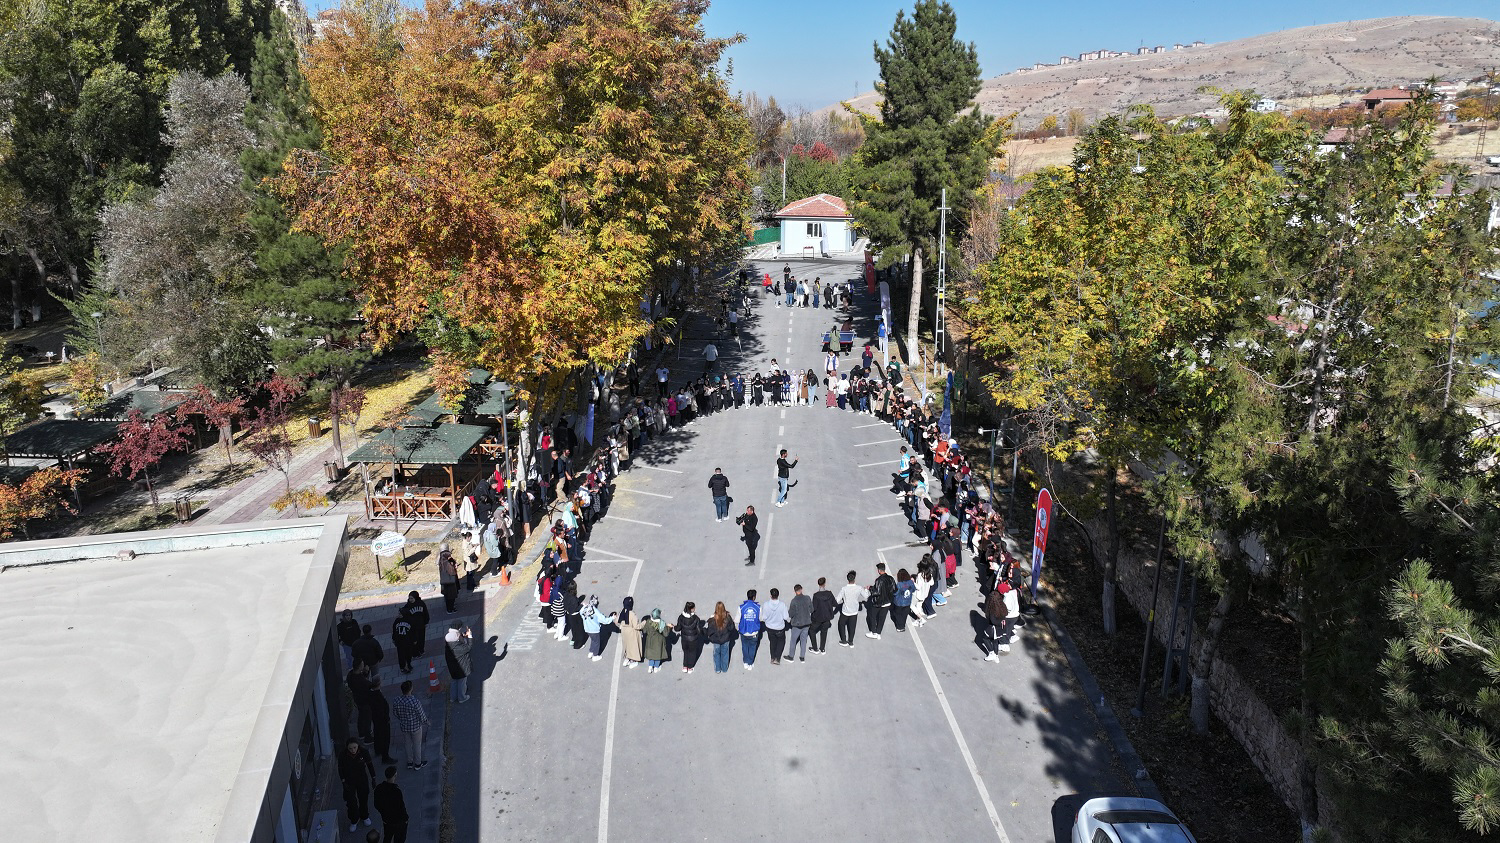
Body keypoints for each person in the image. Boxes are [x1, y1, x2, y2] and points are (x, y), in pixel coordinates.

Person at [338, 737, 376, 832]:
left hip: (361, 779)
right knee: (351, 802)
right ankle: (354, 819)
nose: (353, 750)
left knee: (363, 798)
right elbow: (340, 768)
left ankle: (364, 816)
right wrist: (343, 781)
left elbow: (370, 765)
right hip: (349, 781)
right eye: (350, 748)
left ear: (358, 746)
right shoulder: (342, 755)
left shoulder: (363, 752)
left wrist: (373, 778)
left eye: (354, 747)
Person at [392, 680, 429, 770]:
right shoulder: (415, 702)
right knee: (417, 744)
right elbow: (421, 715)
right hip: (415, 726)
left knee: (407, 744)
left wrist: (402, 718)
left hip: (404, 726)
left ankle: (409, 762)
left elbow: (395, 713)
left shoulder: (397, 700)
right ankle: (418, 763)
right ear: (411, 689)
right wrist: (426, 722)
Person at [373, 766, 409, 843]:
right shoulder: (396, 791)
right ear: (395, 775)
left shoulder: (379, 788)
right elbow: (401, 807)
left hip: (386, 820)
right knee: (399, 838)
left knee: (388, 836)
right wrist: (405, 819)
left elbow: (376, 804)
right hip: (398, 821)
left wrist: (383, 812)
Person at [368, 674, 397, 763]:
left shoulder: (371, 693)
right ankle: (385, 756)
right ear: (379, 683)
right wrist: (386, 720)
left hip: (376, 720)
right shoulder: (378, 696)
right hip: (382, 721)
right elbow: (381, 710)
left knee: (377, 735)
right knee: (385, 738)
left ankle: (378, 750)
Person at [581, 597, 619, 661]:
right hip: (594, 630)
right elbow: (604, 620)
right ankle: (595, 656)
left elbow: (581, 613)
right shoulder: (595, 611)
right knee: (597, 642)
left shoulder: (584, 608)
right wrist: (612, 618)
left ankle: (591, 652)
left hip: (587, 629)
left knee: (593, 640)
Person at [444, 621, 472, 703]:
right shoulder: (458, 647)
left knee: (454, 681)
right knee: (462, 682)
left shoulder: (448, 644)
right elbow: (468, 647)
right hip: (461, 667)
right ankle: (462, 697)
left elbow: (456, 636)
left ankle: (452, 697)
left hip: (451, 667)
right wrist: (469, 636)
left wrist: (463, 634)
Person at [346, 661, 375, 743]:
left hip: (357, 699)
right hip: (364, 700)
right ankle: (367, 737)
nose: (363, 665)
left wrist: (365, 673)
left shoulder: (351, 675)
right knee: (367, 718)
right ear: (359, 667)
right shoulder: (359, 679)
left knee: (361, 716)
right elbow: (369, 684)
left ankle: (361, 733)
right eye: (362, 664)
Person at [866, 562, 896, 639]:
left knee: (872, 616)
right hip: (887, 602)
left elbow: (876, 592)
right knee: (882, 618)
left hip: (879, 603)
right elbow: (895, 589)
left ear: (879, 570)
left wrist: (870, 588)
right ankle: (879, 633)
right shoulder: (891, 578)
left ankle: (873, 632)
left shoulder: (879, 580)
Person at [835, 570, 865, 648]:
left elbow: (837, 600)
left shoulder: (844, 589)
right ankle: (851, 641)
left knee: (841, 624)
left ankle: (844, 640)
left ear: (847, 579)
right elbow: (866, 596)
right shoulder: (859, 588)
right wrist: (867, 590)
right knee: (852, 626)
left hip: (845, 611)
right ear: (854, 579)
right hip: (854, 611)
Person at [707, 601, 737, 673]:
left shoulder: (712, 619)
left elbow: (710, 631)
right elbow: (732, 628)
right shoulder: (728, 617)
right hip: (726, 639)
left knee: (716, 654)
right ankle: (724, 668)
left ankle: (717, 669)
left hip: (716, 640)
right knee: (725, 654)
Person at [761, 588, 788, 665]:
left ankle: (772, 657)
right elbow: (786, 617)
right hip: (779, 628)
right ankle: (777, 658)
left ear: (770, 595)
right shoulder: (782, 605)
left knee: (772, 642)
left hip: (769, 628)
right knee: (781, 642)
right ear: (778, 595)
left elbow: (764, 617)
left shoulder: (766, 604)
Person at [399, 591, 430, 656]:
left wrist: (426, 622)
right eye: (409, 598)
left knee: (421, 639)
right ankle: (416, 652)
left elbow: (425, 613)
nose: (410, 600)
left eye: (412, 598)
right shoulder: (408, 605)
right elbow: (404, 612)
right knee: (414, 640)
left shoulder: (421, 603)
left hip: (421, 625)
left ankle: (421, 650)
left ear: (416, 597)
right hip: (413, 627)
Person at [676, 602, 705, 673]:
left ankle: (685, 666)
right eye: (694, 608)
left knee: (685, 651)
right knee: (692, 653)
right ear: (691, 609)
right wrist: (704, 632)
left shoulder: (681, 617)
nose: (695, 609)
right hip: (693, 639)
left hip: (684, 639)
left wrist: (673, 627)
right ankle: (690, 667)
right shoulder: (696, 618)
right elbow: (699, 630)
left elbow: (678, 628)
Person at [786, 584, 813, 662]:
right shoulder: (807, 598)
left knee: (793, 640)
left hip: (797, 625)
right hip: (807, 623)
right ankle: (802, 657)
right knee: (804, 640)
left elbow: (790, 614)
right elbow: (811, 610)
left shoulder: (794, 601)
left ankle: (791, 656)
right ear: (801, 589)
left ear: (795, 591)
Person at [810, 577, 836, 654]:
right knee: (824, 632)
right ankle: (822, 649)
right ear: (824, 584)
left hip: (818, 618)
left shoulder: (816, 595)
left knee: (812, 630)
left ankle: (815, 648)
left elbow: (813, 608)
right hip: (827, 617)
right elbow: (834, 603)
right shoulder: (829, 594)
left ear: (818, 584)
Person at [738, 589, 762, 670]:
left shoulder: (741, 607)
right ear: (754, 597)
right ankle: (750, 663)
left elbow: (736, 620)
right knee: (752, 647)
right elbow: (761, 618)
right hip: (754, 632)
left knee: (744, 647)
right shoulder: (758, 607)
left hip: (743, 631)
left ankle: (745, 662)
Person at [617, 596, 644, 668]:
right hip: (632, 632)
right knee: (633, 647)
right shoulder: (632, 614)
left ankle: (627, 659)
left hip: (624, 631)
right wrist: (644, 623)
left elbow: (617, 622)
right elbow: (636, 626)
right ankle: (633, 661)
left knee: (627, 645)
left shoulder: (621, 612)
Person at [891, 568, 917, 632]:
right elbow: (913, 589)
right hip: (908, 602)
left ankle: (899, 627)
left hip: (899, 603)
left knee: (897, 614)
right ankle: (902, 626)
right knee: (904, 615)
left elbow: (896, 593)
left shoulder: (899, 584)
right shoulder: (911, 582)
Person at [438, 546, 460, 614]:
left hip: (445, 582)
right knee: (451, 597)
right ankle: (450, 609)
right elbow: (452, 572)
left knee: (447, 597)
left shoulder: (441, 561)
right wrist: (454, 566)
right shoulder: (446, 563)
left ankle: (449, 607)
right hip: (450, 582)